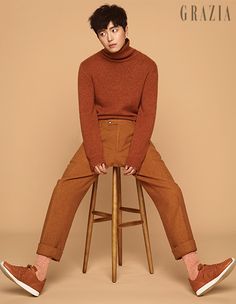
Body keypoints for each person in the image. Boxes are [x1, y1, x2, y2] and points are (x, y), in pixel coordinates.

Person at [0, 4, 235, 298]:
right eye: (102, 33)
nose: (109, 37)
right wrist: (95, 154)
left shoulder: (147, 66)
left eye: (114, 29)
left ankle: (196, 273)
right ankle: (37, 274)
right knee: (64, 191)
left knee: (170, 191)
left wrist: (136, 156)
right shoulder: (88, 67)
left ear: (125, 29)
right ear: (97, 37)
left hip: (134, 135)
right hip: (97, 135)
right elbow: (86, 113)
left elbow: (147, 113)